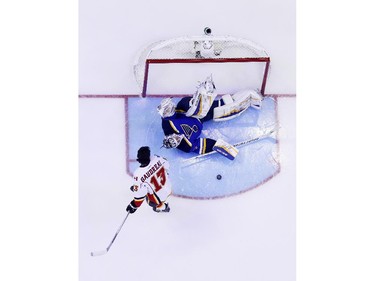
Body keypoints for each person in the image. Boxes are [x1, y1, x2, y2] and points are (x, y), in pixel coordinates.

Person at [158, 75, 263, 160]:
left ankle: (198, 102)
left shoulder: (167, 125)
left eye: (172, 138)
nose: (176, 138)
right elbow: (205, 145)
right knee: (224, 110)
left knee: (194, 109)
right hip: (199, 120)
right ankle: (251, 98)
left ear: (168, 136)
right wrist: (221, 147)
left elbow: (171, 113)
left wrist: (167, 109)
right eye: (176, 141)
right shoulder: (186, 146)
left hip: (187, 111)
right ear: (176, 145)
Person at [126, 146, 171, 214]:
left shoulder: (138, 174)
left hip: (160, 197)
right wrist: (166, 174)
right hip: (168, 187)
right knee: (146, 185)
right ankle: (163, 205)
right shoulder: (157, 158)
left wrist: (133, 205)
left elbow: (140, 194)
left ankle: (164, 207)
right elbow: (167, 163)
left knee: (151, 202)